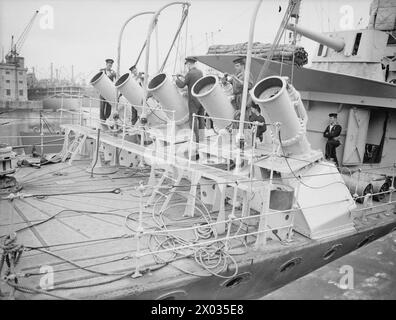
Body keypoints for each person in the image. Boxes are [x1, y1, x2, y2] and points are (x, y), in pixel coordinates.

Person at [174, 56, 204, 143]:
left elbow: (182, 85)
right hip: (201, 99)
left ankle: (195, 139)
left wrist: (176, 79)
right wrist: (183, 76)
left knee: (193, 119)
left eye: (187, 64)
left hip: (193, 100)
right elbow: (192, 80)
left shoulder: (190, 73)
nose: (187, 66)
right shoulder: (200, 72)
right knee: (201, 118)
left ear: (189, 64)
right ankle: (202, 137)